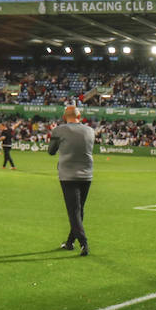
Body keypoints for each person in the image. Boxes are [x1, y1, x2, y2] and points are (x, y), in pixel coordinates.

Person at [48, 105, 95, 256]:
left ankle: (83, 243)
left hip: (68, 174)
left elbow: (51, 151)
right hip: (87, 174)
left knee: (73, 211)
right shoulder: (90, 130)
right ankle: (70, 242)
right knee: (79, 209)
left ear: (64, 117)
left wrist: (55, 136)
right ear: (79, 116)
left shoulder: (59, 130)